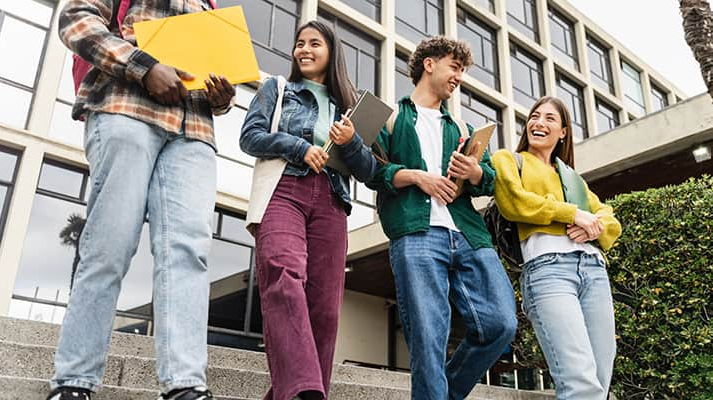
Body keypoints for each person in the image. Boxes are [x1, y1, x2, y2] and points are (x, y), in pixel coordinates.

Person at [49, 1, 236, 400]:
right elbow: (75, 21)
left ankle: (185, 384)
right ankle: (74, 381)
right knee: (108, 245)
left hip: (194, 128)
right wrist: (144, 66)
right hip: (125, 107)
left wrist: (222, 95)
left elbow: (214, 77)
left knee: (188, 253)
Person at [366, 36, 517, 400]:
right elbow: (371, 172)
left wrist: (473, 173)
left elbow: (490, 182)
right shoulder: (389, 117)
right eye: (455, 67)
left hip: (468, 235)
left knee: (501, 323)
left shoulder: (463, 129)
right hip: (416, 233)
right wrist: (418, 177)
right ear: (429, 64)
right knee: (429, 335)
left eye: (462, 71)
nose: (458, 77)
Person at [239, 20, 377, 400]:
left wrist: (350, 143)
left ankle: (296, 392)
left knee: (327, 310)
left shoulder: (349, 107)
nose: (304, 50)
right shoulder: (278, 89)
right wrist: (298, 148)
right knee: (284, 274)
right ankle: (308, 393)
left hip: (332, 201)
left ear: (332, 53)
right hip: (285, 189)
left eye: (315, 43)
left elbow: (369, 172)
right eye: (299, 43)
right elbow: (249, 137)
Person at [491, 96, 622, 399]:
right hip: (548, 270)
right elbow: (514, 202)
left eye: (550, 118)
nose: (539, 123)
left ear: (563, 132)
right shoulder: (509, 159)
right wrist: (572, 213)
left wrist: (593, 226)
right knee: (580, 380)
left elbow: (610, 219)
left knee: (601, 379)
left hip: (593, 271)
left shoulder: (572, 176)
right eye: (535, 116)